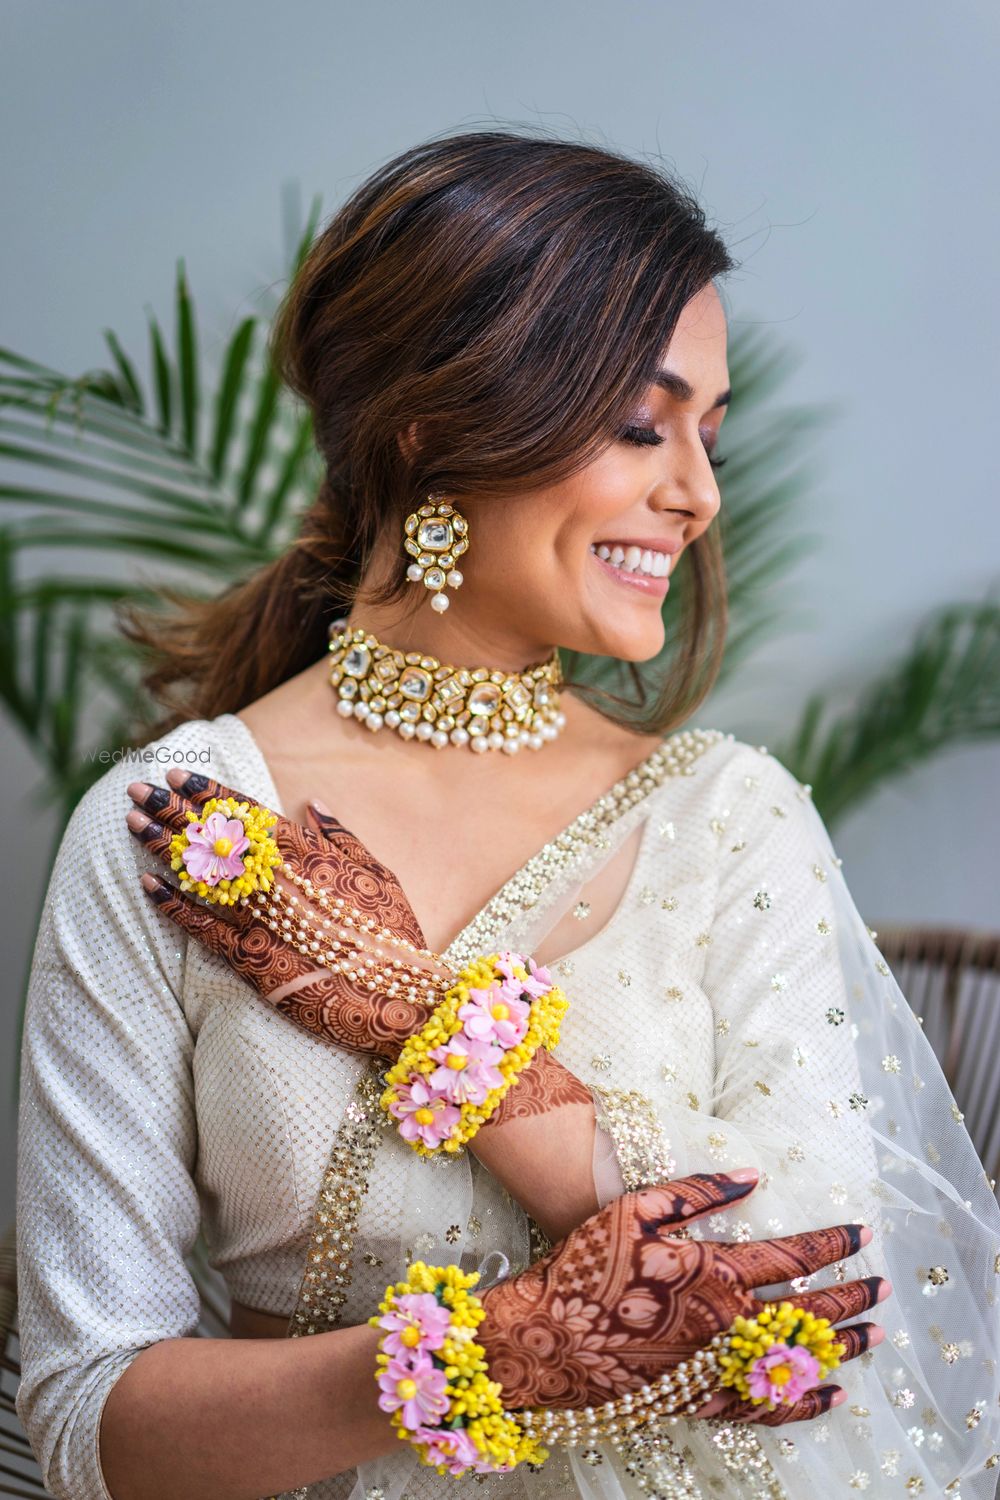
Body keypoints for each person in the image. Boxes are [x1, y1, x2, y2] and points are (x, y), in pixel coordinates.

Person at [14, 129, 1000, 1500]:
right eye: (643, 426)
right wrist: (481, 1356)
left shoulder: (727, 818)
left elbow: (831, 1283)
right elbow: (85, 1416)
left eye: (711, 436)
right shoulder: (184, 835)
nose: (698, 496)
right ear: (434, 428)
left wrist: (438, 1032)